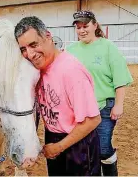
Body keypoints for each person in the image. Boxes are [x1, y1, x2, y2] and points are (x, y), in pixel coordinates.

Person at [15, 16, 102, 176]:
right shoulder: (37, 71)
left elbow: (93, 120)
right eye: (24, 49)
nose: (30, 54)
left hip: (78, 144)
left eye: (34, 45)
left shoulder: (71, 71)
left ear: (48, 36)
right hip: (53, 137)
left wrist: (59, 146)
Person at [67, 10, 133, 176]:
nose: (82, 30)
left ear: (95, 25)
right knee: (84, 147)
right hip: (79, 108)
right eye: (78, 27)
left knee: (103, 147)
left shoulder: (108, 47)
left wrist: (119, 105)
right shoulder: (70, 50)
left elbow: (120, 78)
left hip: (104, 107)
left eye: (85, 26)